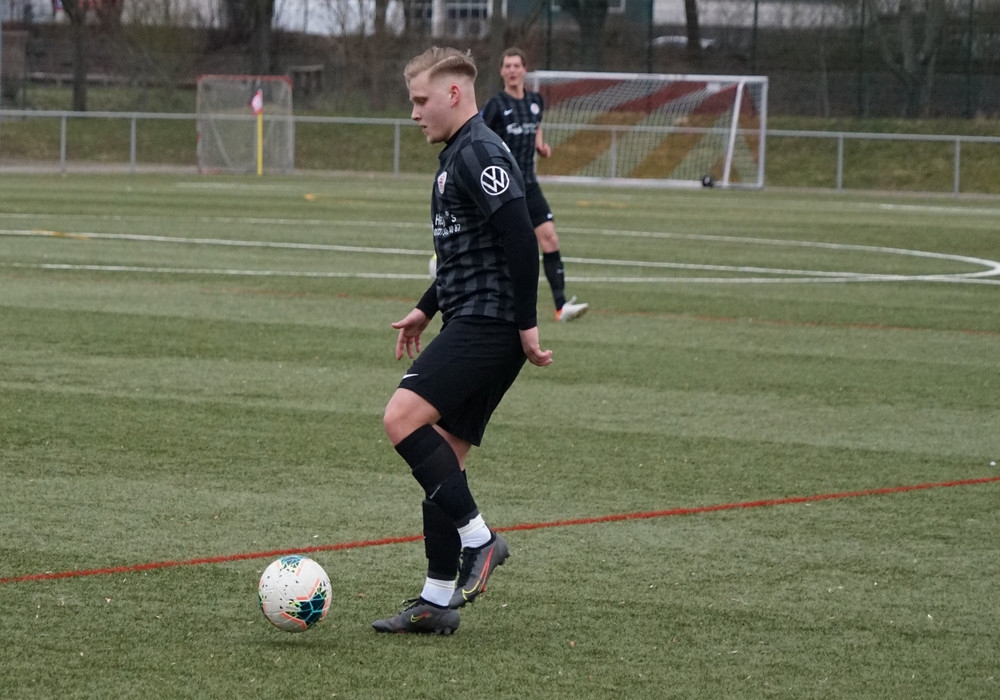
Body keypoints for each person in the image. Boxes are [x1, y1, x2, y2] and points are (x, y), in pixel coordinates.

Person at [372, 47, 553, 635]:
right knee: (443, 463)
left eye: (421, 100)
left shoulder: (479, 150)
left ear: (453, 94)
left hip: (489, 324)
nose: (414, 113)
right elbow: (468, 252)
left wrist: (525, 323)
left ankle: (481, 540)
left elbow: (520, 238)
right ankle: (436, 601)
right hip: (475, 319)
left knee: (401, 418)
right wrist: (426, 308)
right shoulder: (458, 152)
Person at [481, 47, 589, 323]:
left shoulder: (535, 101)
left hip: (529, 183)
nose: (512, 70)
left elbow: (536, 125)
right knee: (498, 244)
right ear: (501, 71)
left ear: (524, 70)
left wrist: (540, 146)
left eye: (516, 65)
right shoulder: (496, 105)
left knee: (549, 237)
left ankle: (561, 307)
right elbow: (479, 136)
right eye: (507, 66)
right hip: (503, 187)